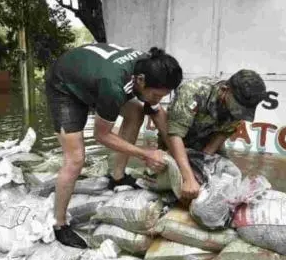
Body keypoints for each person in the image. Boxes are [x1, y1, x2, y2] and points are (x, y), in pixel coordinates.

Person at [45, 43, 183, 248]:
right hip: (64, 85)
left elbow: (158, 114)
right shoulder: (113, 86)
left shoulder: (150, 68)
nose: (157, 100)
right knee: (75, 159)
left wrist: (179, 155)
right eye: (156, 95)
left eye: (162, 96)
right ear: (141, 81)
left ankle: (117, 177)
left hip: (92, 77)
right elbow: (101, 136)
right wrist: (145, 153)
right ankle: (59, 224)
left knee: (136, 112)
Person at [163, 70, 267, 204]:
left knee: (224, 178)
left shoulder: (239, 109)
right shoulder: (193, 91)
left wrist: (203, 164)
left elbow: (222, 134)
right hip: (177, 140)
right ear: (225, 90)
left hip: (206, 140)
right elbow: (175, 134)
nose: (239, 113)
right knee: (177, 182)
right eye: (238, 108)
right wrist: (188, 177)